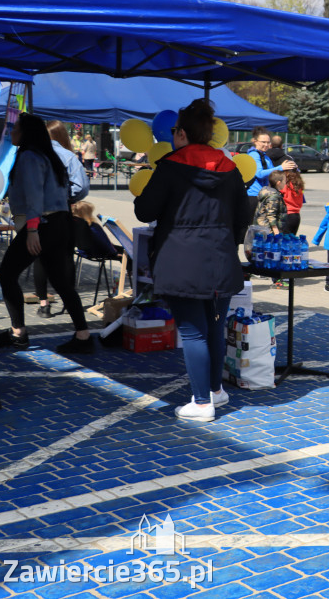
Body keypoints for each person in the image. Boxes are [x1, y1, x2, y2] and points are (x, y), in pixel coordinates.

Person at [134, 98, 248, 422]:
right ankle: (214, 391)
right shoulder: (230, 167)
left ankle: (201, 403)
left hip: (181, 261)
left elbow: (145, 211)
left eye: (174, 131)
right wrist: (231, 241)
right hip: (222, 260)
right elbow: (244, 214)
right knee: (213, 328)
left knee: (195, 333)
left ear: (182, 133)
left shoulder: (170, 166)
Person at [0, 113, 93, 353]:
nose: (11, 133)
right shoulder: (50, 157)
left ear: (27, 133)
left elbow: (35, 195)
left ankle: (19, 332)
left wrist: (32, 230)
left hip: (43, 224)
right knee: (61, 281)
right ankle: (83, 335)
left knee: (7, 274)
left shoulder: (30, 156)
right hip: (60, 223)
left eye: (15, 128)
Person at [32, 120, 92, 318]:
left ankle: (43, 305)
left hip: (37, 212)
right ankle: (69, 303)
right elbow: (82, 187)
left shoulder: (33, 155)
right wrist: (66, 196)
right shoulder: (68, 156)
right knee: (66, 256)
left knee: (40, 258)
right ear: (61, 136)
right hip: (62, 212)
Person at [245, 126, 295, 228]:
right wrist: (281, 167)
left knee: (262, 230)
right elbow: (259, 174)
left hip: (264, 196)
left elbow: (273, 174)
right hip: (254, 196)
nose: (266, 145)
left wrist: (287, 167)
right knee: (254, 230)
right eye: (263, 142)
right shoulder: (254, 155)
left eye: (268, 142)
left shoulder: (265, 156)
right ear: (255, 141)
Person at [254, 171, 287, 236]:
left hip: (263, 228)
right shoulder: (273, 196)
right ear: (279, 183)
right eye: (285, 181)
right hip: (268, 231)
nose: (285, 183)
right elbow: (271, 215)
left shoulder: (268, 191)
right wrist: (276, 232)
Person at [280, 168, 305, 236]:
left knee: (285, 240)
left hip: (287, 214)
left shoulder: (286, 185)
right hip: (296, 215)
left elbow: (280, 192)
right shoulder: (299, 185)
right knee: (292, 239)